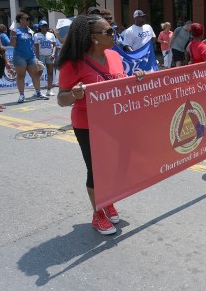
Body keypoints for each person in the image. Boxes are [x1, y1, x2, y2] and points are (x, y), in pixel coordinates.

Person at [57, 14, 145, 235]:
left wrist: (136, 79)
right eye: (108, 31)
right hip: (87, 124)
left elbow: (120, 85)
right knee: (96, 170)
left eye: (113, 29)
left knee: (116, 166)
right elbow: (61, 98)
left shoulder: (114, 55)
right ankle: (98, 213)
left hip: (115, 121)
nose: (113, 34)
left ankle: (109, 201)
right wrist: (74, 94)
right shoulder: (73, 63)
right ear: (93, 38)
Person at [10, 12, 48, 102]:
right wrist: (13, 35)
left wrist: (36, 56)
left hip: (31, 56)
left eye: (28, 19)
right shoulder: (16, 31)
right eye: (26, 19)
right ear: (20, 20)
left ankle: (38, 93)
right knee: (21, 76)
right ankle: (22, 95)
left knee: (35, 75)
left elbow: (32, 44)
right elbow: (13, 44)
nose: (28, 20)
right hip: (19, 56)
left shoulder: (30, 31)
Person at [33, 20, 57, 96]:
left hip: (50, 55)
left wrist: (53, 53)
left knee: (50, 73)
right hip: (41, 56)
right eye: (43, 26)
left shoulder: (51, 35)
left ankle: (49, 90)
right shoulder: (36, 35)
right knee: (39, 73)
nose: (44, 27)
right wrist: (37, 59)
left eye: (45, 25)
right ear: (40, 27)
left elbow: (54, 45)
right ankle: (37, 90)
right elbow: (36, 48)